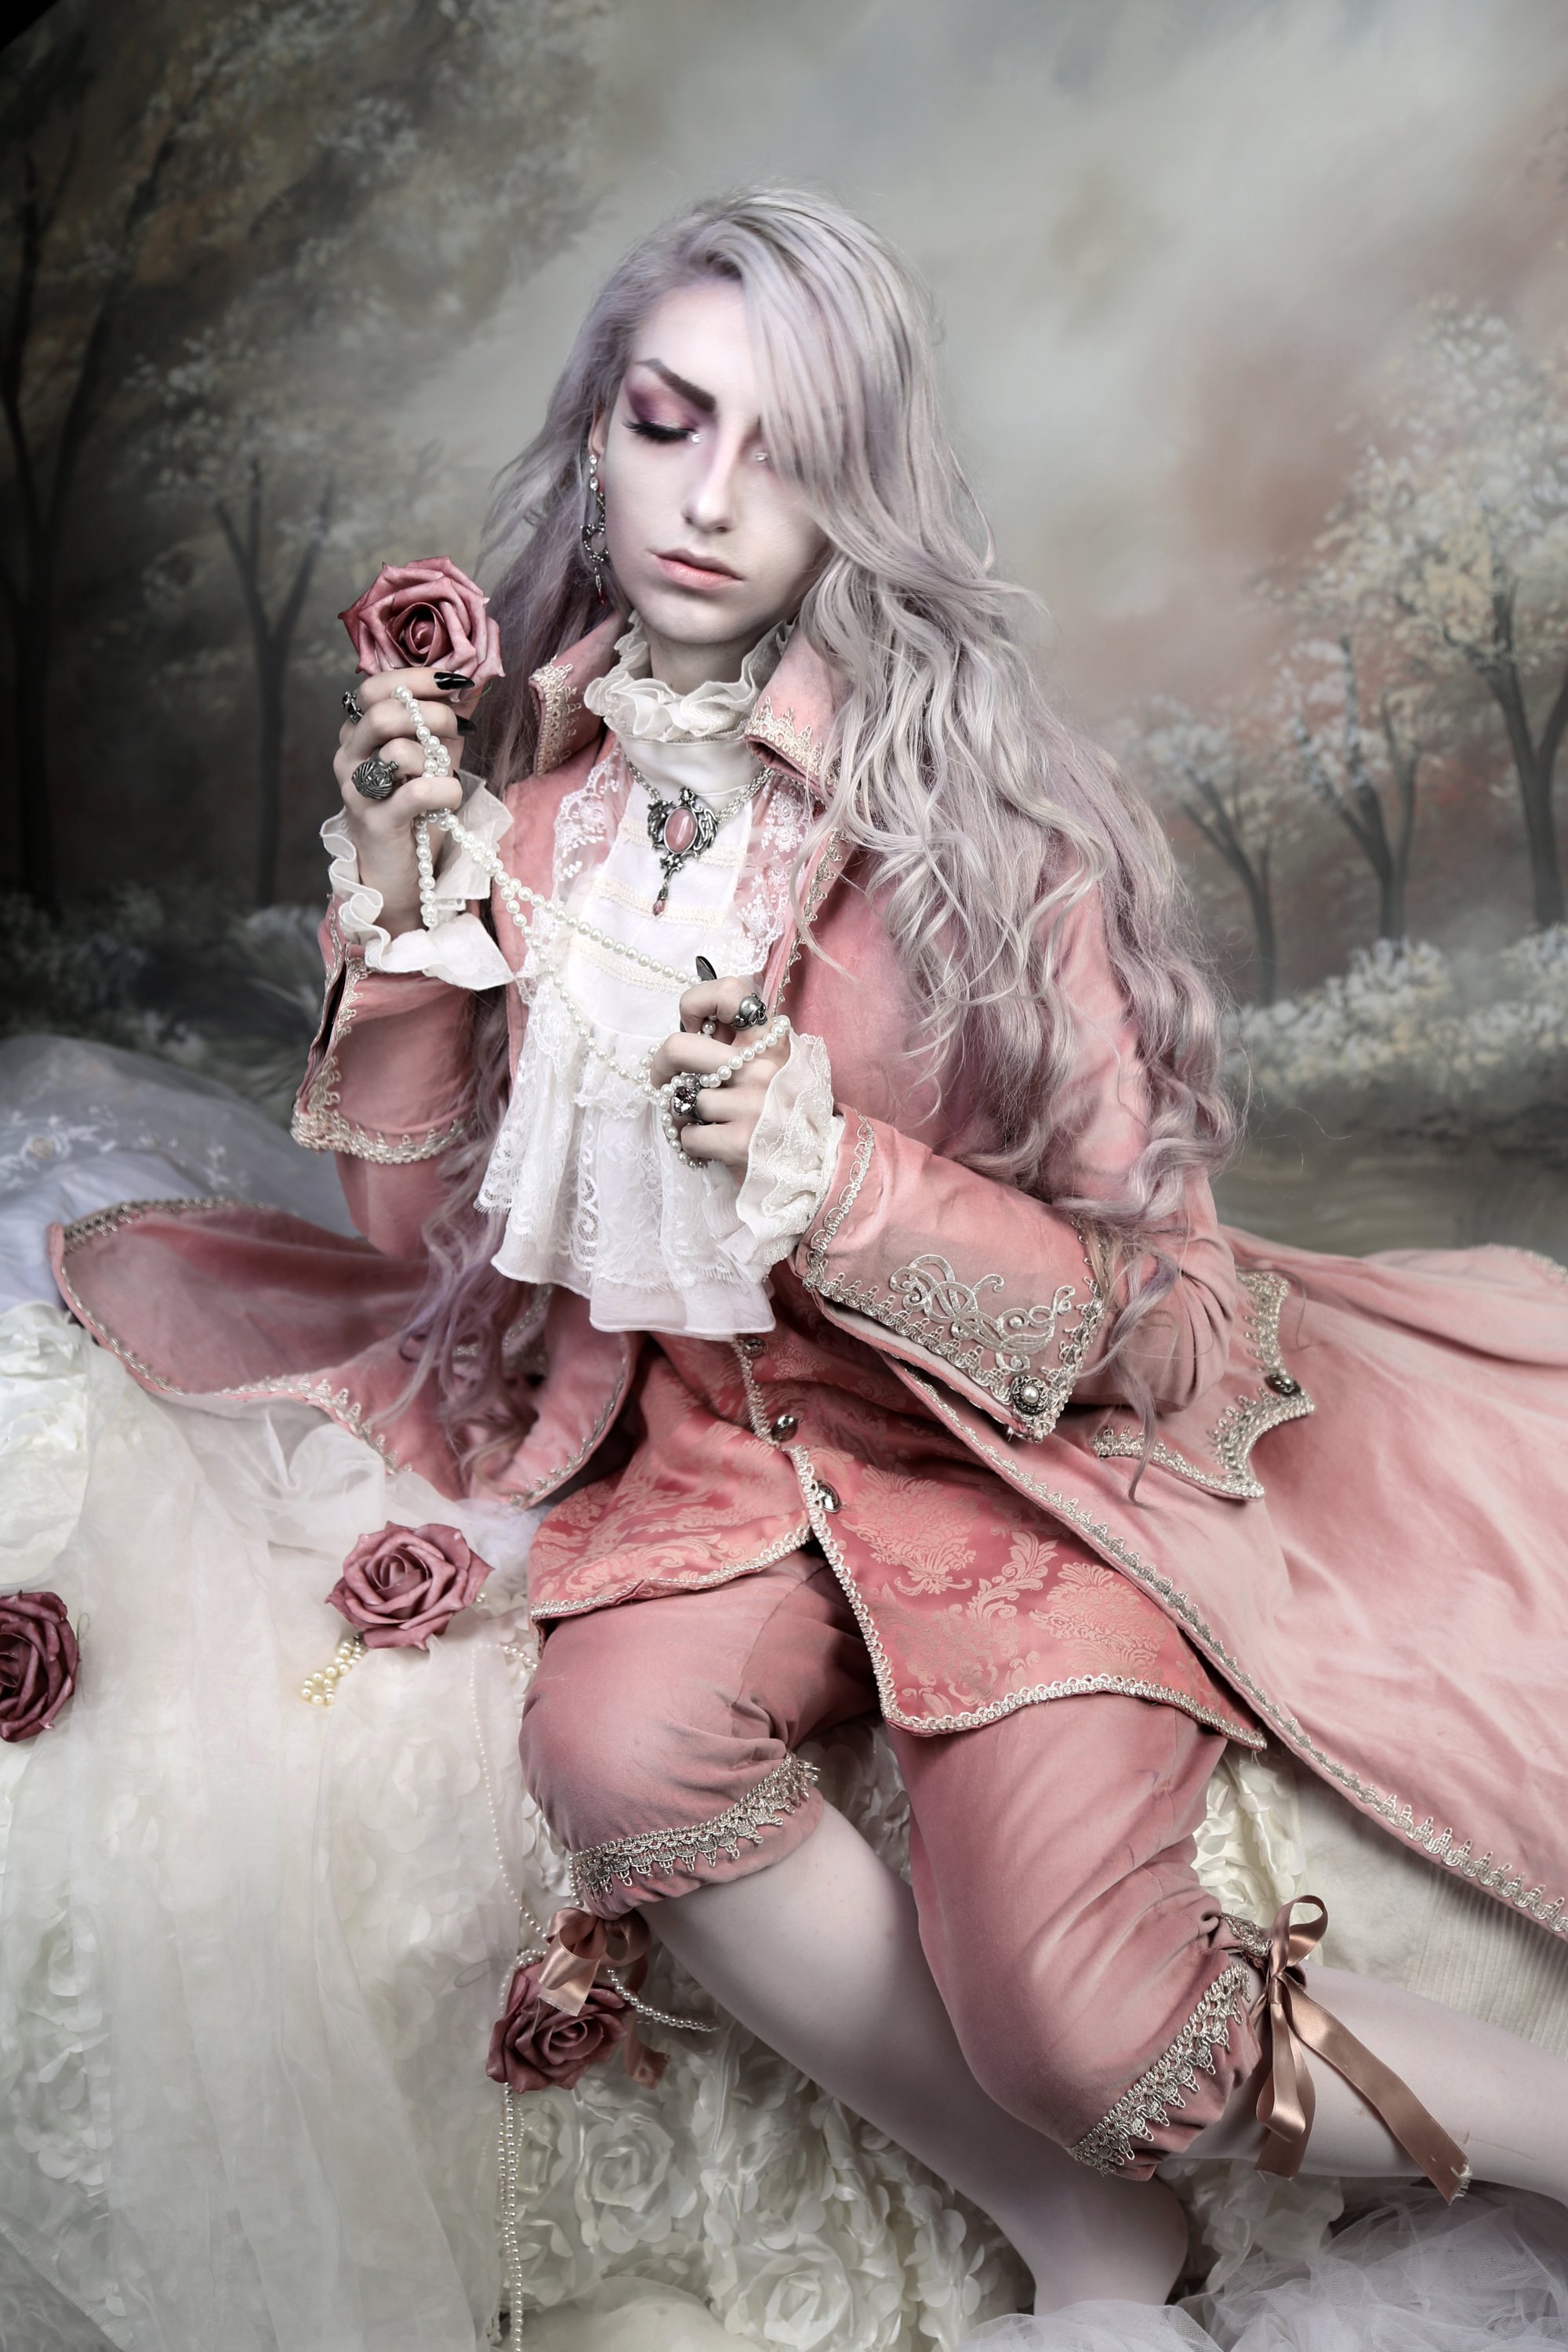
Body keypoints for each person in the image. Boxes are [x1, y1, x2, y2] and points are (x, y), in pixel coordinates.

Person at [30, 189, 1568, 2340]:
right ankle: (1081, 2236)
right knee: (611, 1742)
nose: (709, 499)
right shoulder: (532, 812)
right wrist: (404, 924)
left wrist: (841, 1182)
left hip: (1012, 1468)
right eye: (669, 422)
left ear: (864, 496)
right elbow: (422, 1238)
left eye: (786, 451)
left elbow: (1156, 1317)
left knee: (1085, 2021)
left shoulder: (1005, 833)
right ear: (598, 434)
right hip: (705, 1457)